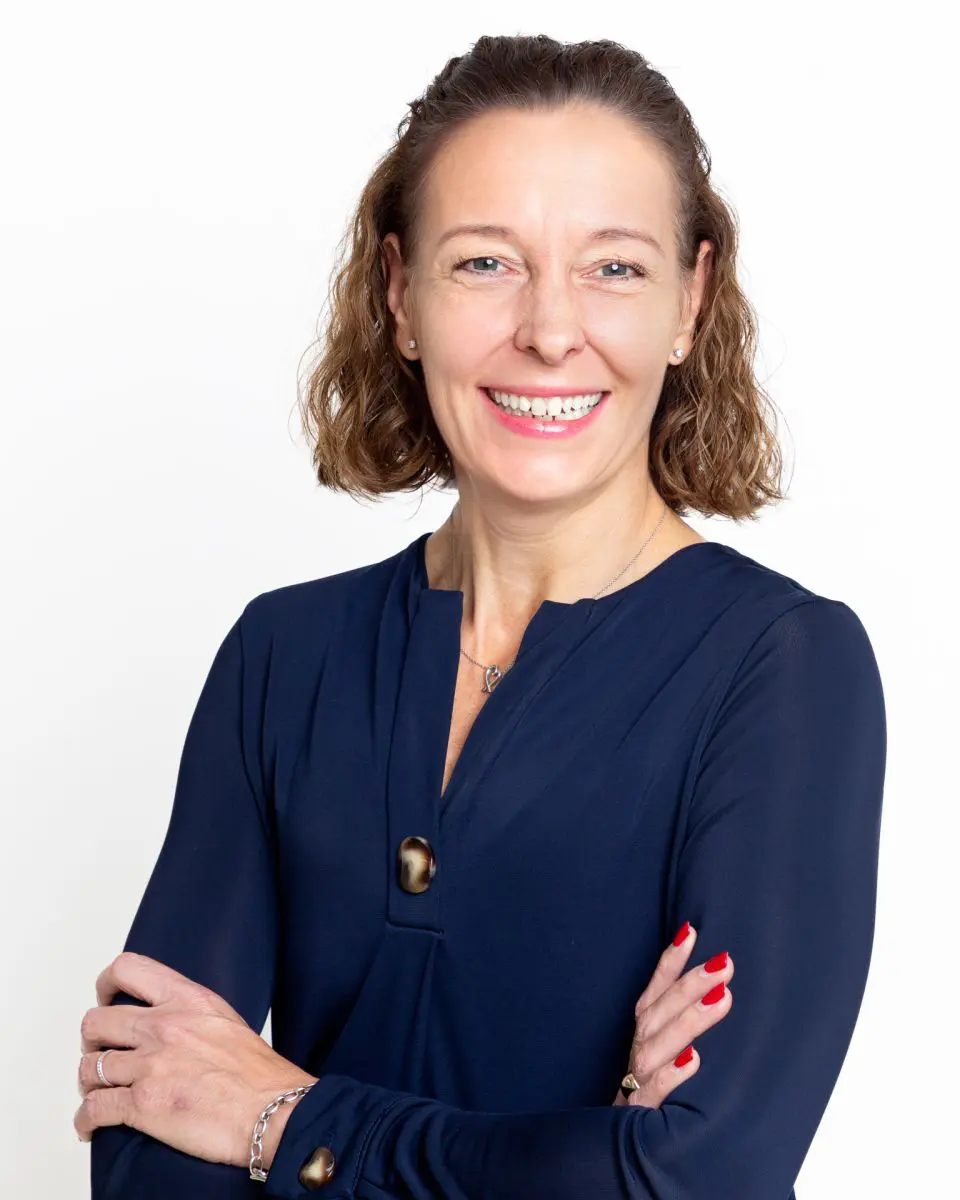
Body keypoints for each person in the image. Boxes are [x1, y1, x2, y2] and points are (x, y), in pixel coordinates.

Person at [80, 33, 886, 1199]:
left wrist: (278, 1118)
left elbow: (699, 1176)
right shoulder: (281, 656)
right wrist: (582, 1146)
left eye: (613, 268)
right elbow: (145, 1147)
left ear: (690, 302)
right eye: (484, 265)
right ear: (401, 296)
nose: (551, 331)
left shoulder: (782, 668)